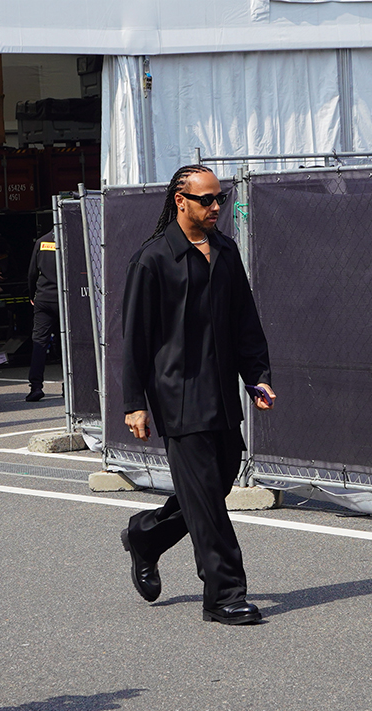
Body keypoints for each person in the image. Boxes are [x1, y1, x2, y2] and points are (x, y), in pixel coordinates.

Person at [120, 165, 276, 625]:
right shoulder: (152, 259)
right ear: (180, 201)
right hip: (177, 397)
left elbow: (245, 321)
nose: (215, 207)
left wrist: (258, 376)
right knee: (206, 502)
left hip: (221, 394)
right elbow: (135, 339)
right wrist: (134, 403)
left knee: (217, 483)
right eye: (206, 200)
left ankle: (147, 535)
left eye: (219, 199)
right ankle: (224, 594)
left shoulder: (225, 251)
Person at [24, 229, 59, 402]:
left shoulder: (41, 242)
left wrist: (32, 295)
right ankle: (69, 386)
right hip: (63, 298)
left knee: (39, 342)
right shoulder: (71, 240)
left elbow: (32, 273)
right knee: (66, 343)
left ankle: (36, 386)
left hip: (43, 298)